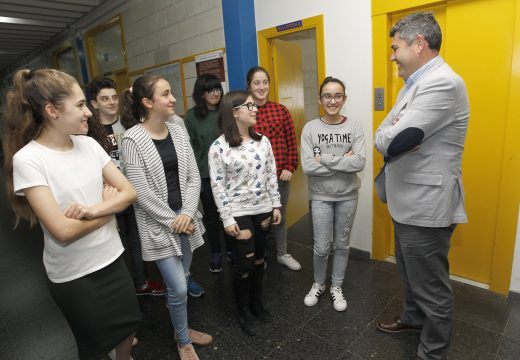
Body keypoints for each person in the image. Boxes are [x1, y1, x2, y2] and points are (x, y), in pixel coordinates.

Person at [3, 68, 141, 360]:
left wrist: (92, 210)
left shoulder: (89, 144)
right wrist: (107, 212)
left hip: (112, 259)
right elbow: (62, 231)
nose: (88, 112)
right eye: (79, 105)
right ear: (52, 111)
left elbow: (129, 193)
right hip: (75, 277)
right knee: (95, 347)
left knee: (128, 330)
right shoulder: (29, 160)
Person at [374, 12, 469, 360]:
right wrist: (389, 134)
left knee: (432, 288)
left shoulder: (442, 83)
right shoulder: (414, 83)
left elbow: (391, 140)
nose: (392, 55)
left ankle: (433, 353)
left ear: (419, 44)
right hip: (407, 201)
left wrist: (390, 134)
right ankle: (413, 319)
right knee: (409, 272)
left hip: (426, 206)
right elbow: (385, 133)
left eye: (395, 47)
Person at [120, 74, 213, 360]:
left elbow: (192, 175)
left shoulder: (177, 127)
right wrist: (173, 220)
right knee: (179, 285)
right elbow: (140, 191)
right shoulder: (132, 139)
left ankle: (179, 329)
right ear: (148, 102)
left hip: (185, 218)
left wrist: (186, 213)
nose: (173, 99)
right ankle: (183, 341)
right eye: (166, 94)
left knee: (182, 278)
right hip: (159, 225)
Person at [208, 90, 281, 336]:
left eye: (254, 105)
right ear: (234, 111)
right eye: (249, 105)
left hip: (263, 209)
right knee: (245, 264)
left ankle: (256, 303)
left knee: (260, 260)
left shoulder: (263, 141)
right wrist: (227, 218)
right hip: (238, 213)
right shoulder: (219, 147)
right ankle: (242, 311)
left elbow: (271, 174)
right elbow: (217, 185)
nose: (255, 109)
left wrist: (276, 204)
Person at [86, 77, 166, 297]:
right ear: (94, 104)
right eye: (104, 99)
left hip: (133, 191)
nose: (111, 102)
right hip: (106, 196)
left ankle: (141, 283)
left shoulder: (129, 124)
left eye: (113, 97)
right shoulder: (88, 132)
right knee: (114, 240)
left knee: (137, 238)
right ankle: (120, 288)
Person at [300, 76, 366, 312]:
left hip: (348, 196)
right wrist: (342, 161)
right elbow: (308, 167)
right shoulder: (310, 128)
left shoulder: (354, 126)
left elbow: (359, 162)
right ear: (320, 99)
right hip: (321, 197)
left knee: (342, 245)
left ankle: (336, 286)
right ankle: (318, 283)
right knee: (321, 246)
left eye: (338, 95)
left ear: (344, 99)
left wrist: (325, 160)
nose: (333, 100)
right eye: (327, 95)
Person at [247, 66, 301, 271]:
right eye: (256, 83)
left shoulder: (281, 110)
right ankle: (258, 256)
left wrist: (290, 167)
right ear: (249, 86)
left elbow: (291, 141)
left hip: (280, 176)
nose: (261, 87)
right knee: (257, 218)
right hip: (254, 180)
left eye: (265, 82)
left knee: (280, 216)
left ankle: (282, 253)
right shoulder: (245, 113)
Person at [184, 74, 227, 273]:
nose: (216, 93)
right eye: (210, 90)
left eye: (218, 88)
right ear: (201, 93)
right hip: (205, 174)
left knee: (230, 211)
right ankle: (216, 253)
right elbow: (189, 147)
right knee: (211, 215)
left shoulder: (226, 111)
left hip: (229, 174)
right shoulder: (191, 116)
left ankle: (233, 251)